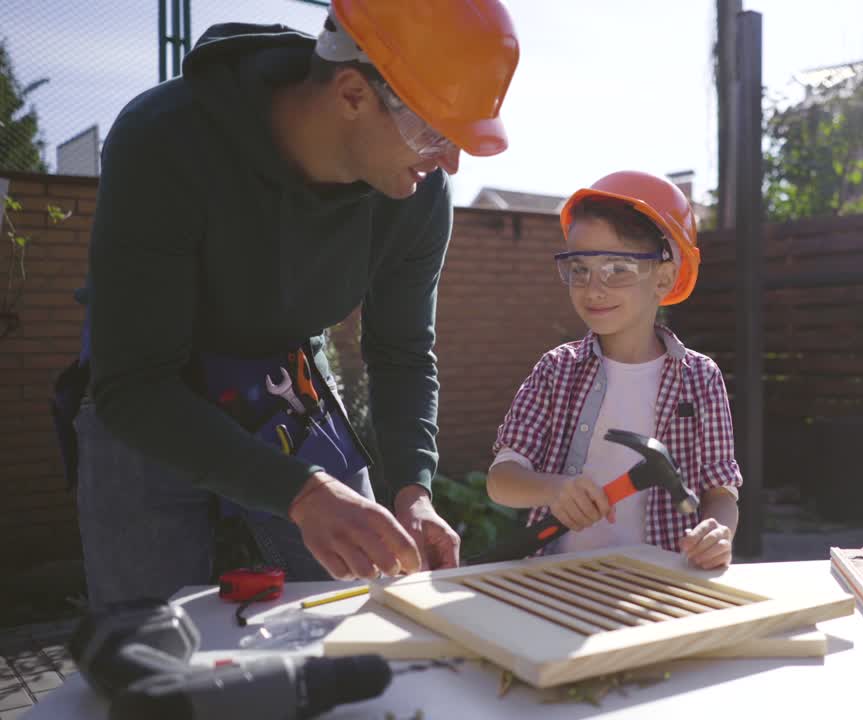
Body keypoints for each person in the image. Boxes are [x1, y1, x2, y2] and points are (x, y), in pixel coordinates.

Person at [57, 0, 520, 610]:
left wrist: (414, 490)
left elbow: (403, 353)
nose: (451, 161)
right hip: (151, 396)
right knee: (147, 643)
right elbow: (133, 384)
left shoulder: (419, 193)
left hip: (281, 387)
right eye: (435, 129)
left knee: (359, 608)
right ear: (352, 92)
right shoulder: (164, 137)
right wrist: (303, 493)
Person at [486, 171, 741, 569]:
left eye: (617, 269)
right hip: (559, 580)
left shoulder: (700, 378)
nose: (593, 288)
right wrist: (554, 489)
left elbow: (720, 491)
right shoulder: (557, 371)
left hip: (662, 582)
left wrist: (716, 533)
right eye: (580, 268)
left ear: (664, 277)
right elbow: (502, 480)